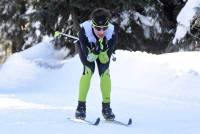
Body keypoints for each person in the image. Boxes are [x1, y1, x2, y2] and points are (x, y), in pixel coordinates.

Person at [75, 8, 117, 121]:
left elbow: (104, 60)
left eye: (104, 28)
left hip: (102, 53)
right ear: (93, 26)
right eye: (98, 28)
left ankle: (106, 108)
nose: (101, 32)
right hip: (87, 50)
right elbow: (89, 58)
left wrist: (103, 50)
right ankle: (81, 107)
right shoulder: (84, 31)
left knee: (105, 72)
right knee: (88, 70)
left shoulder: (112, 33)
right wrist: (94, 51)